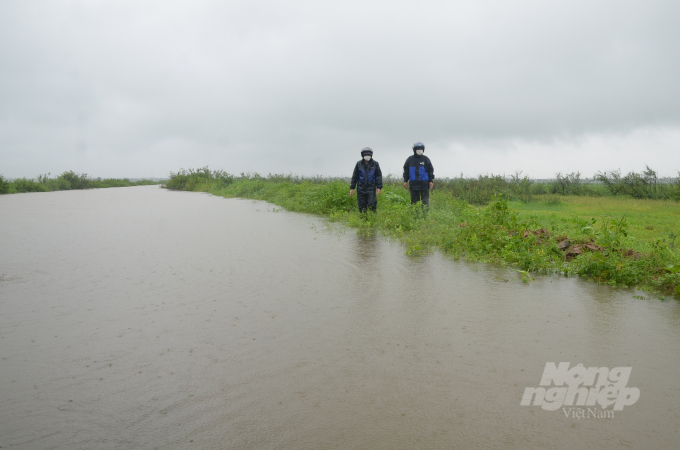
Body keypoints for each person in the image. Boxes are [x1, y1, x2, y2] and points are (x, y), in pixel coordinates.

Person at [350, 147, 383, 212]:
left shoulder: (375, 164)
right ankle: (363, 219)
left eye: (368, 155)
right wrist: (352, 188)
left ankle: (372, 219)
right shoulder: (359, 164)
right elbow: (355, 176)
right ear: (362, 155)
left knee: (372, 204)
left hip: (371, 187)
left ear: (371, 155)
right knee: (362, 206)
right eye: (365, 155)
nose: (367, 156)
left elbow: (378, 176)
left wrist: (379, 187)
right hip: (361, 188)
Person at [403, 141, 434, 209]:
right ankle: (415, 216)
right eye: (418, 149)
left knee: (425, 202)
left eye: (421, 149)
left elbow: (430, 170)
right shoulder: (410, 159)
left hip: (424, 184)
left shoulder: (426, 159)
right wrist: (405, 181)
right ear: (414, 150)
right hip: (414, 184)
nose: (419, 150)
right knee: (414, 202)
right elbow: (406, 171)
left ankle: (424, 216)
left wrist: (431, 181)